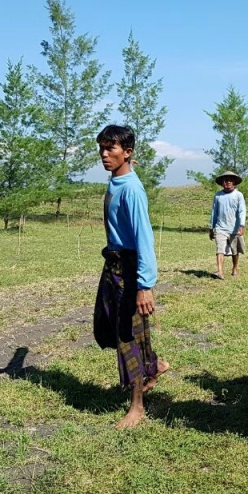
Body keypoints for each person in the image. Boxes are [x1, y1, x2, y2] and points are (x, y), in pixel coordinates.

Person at [92, 125, 169, 430]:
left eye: (111, 149)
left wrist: (144, 286)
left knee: (129, 339)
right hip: (112, 265)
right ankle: (155, 366)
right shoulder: (120, 179)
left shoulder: (132, 190)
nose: (104, 154)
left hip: (129, 269)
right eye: (101, 148)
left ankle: (137, 407)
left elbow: (144, 238)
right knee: (107, 328)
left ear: (127, 152)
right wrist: (127, 167)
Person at [209, 170, 246, 279]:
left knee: (235, 250)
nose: (227, 182)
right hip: (221, 228)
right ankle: (220, 271)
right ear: (222, 183)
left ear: (234, 182)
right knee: (219, 249)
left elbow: (242, 211)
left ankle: (234, 268)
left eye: (230, 180)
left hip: (234, 228)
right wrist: (211, 228)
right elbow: (214, 212)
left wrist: (242, 225)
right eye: (225, 180)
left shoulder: (238, 195)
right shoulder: (218, 196)